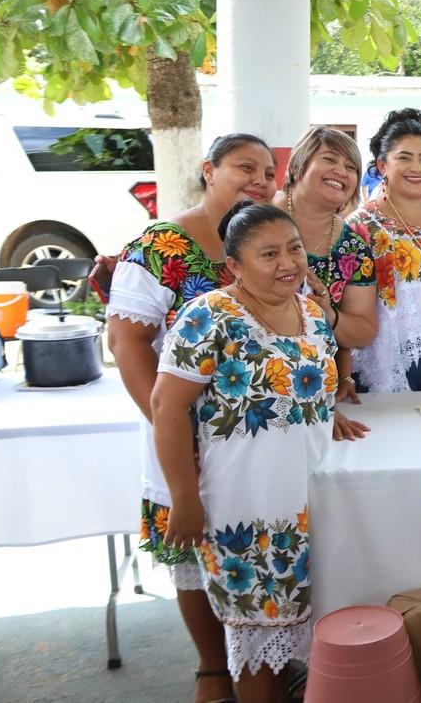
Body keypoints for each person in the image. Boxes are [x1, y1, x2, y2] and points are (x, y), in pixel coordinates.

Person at [106, 133, 275, 703]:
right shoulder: (163, 245)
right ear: (209, 170)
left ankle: (262, 664)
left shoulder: (265, 240)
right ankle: (212, 669)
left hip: (253, 436)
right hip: (183, 428)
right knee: (192, 546)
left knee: (250, 544)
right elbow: (127, 340)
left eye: (268, 171)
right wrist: (165, 420)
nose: (259, 178)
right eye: (244, 167)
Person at [151, 203, 336, 703]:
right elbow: (166, 407)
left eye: (295, 249)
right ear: (235, 265)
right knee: (258, 640)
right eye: (269, 254)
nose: (288, 263)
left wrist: (332, 417)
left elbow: (307, 396)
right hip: (246, 509)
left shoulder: (313, 314)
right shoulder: (210, 315)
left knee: (308, 630)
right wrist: (183, 497)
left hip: (312, 504)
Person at [347, 109, 421, 391]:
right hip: (391, 362)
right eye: (404, 158)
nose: (417, 168)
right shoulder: (361, 225)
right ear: (382, 165)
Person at [275, 127, 377, 425]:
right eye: (330, 160)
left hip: (320, 392)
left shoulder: (353, 247)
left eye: (351, 167)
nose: (341, 172)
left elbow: (362, 332)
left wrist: (328, 314)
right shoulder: (254, 223)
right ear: (298, 166)